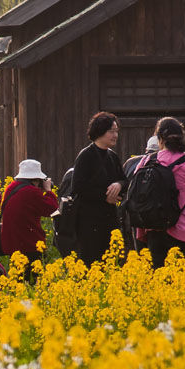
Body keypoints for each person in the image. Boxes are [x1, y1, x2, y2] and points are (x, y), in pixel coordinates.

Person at [134, 117, 185, 268]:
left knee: (159, 281)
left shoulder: (147, 161)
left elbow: (137, 191)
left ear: (159, 139)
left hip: (154, 229)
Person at [71, 112, 128, 266]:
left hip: (110, 220)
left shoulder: (112, 156)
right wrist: (104, 197)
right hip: (89, 222)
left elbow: (124, 180)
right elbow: (78, 186)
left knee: (112, 263)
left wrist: (119, 185)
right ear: (100, 131)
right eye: (111, 131)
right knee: (92, 263)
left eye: (117, 131)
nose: (115, 135)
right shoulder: (86, 156)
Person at [0, 159, 59, 277]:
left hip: (12, 244)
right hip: (29, 245)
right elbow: (52, 209)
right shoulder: (31, 192)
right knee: (33, 280)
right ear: (36, 179)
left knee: (18, 279)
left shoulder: (10, 188)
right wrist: (48, 191)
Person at [121, 134, 160, 253]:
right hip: (157, 217)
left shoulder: (131, 163)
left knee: (138, 254)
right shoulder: (163, 162)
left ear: (146, 149)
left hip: (133, 216)